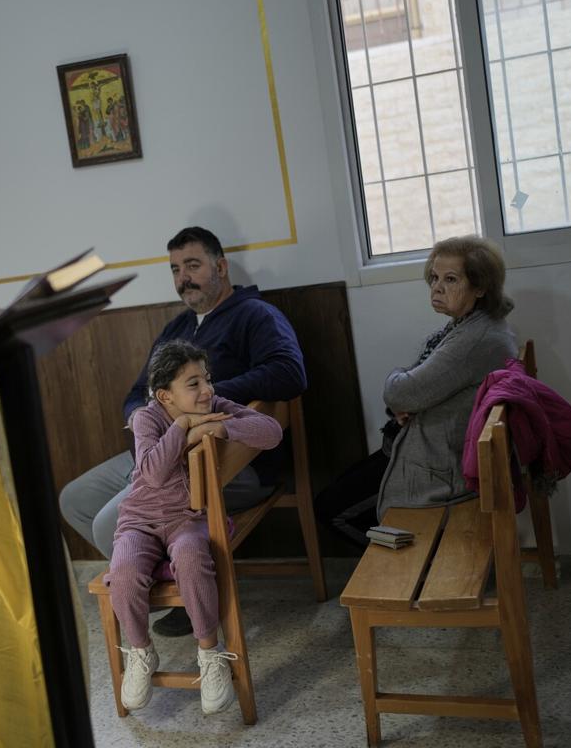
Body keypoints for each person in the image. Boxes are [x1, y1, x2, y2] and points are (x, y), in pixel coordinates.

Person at [59, 226, 306, 636]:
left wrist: (205, 398)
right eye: (175, 269)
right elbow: (138, 392)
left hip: (224, 461)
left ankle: (183, 589)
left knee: (107, 525)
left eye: (192, 265)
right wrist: (146, 419)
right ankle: (170, 575)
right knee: (75, 499)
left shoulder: (256, 315)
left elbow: (289, 373)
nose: (182, 278)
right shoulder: (177, 329)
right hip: (160, 451)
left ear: (221, 267)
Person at [107, 340, 281, 715]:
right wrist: (183, 427)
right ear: (165, 396)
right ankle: (140, 651)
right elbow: (153, 473)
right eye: (194, 384)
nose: (207, 390)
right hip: (139, 520)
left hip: (188, 519)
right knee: (123, 573)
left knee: (190, 557)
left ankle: (210, 652)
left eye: (207, 379)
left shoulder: (213, 405)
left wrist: (222, 429)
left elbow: (271, 432)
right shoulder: (147, 418)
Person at [314, 235, 517, 546]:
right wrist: (405, 394)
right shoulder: (469, 325)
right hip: (421, 446)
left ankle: (407, 563)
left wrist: (400, 386)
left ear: (480, 287)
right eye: (434, 277)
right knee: (336, 492)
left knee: (331, 510)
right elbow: (411, 388)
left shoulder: (476, 339)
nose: (437, 287)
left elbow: (400, 392)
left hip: (436, 466)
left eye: (451, 279)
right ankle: (406, 557)